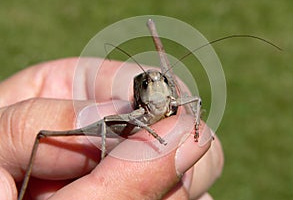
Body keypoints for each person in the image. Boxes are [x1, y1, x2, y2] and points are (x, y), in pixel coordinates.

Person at [0, 58, 224, 200]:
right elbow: (112, 120)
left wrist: (196, 127)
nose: (156, 87)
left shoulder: (171, 96)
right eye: (148, 85)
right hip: (127, 122)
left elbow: (196, 101)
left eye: (162, 82)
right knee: (45, 135)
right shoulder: (134, 109)